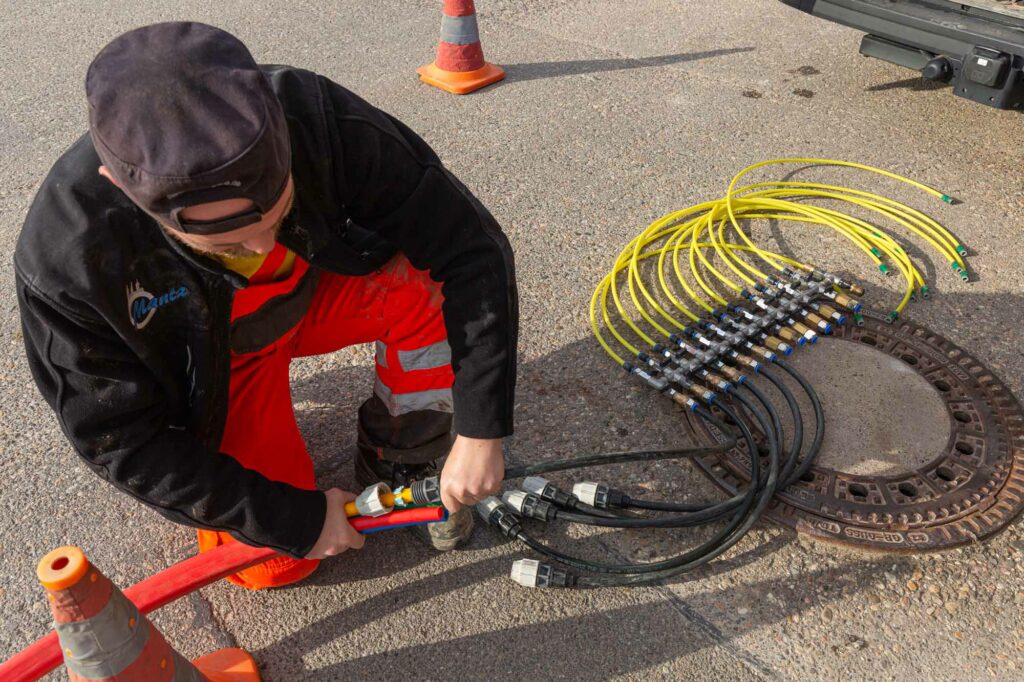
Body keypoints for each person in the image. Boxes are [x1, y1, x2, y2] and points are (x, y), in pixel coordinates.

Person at [14, 21, 517, 590]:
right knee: (277, 564)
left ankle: (401, 450)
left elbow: (471, 252)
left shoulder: (319, 119)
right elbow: (122, 443)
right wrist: (292, 519)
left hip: (309, 294)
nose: (261, 248)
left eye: (276, 214)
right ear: (123, 191)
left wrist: (481, 428)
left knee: (425, 286)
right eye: (226, 244)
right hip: (220, 361)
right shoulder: (69, 260)